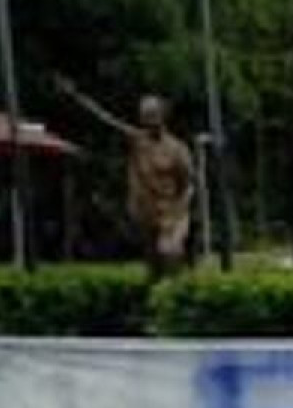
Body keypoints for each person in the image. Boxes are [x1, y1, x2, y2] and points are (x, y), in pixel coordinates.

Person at [55, 76, 195, 281]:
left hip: (172, 213)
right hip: (147, 213)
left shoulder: (177, 149)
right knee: (153, 265)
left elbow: (188, 184)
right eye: (144, 114)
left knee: (168, 251)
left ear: (164, 115)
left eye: (153, 113)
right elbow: (104, 119)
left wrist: (177, 214)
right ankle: (159, 299)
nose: (148, 118)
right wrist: (76, 96)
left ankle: (180, 286)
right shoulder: (137, 140)